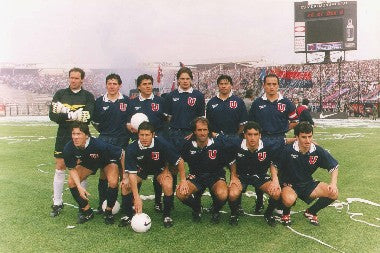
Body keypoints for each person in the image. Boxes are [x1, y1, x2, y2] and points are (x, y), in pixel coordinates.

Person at [120, 122, 188, 228]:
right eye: (141, 135)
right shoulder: (132, 148)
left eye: (147, 135)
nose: (144, 138)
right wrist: (136, 197)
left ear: (153, 134)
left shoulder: (162, 143)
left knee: (168, 184)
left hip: (159, 169)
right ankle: (128, 215)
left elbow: (180, 161)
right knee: (125, 185)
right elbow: (132, 175)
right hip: (140, 170)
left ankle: (166, 215)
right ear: (138, 135)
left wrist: (183, 180)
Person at [49, 67, 95, 217]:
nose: (73, 80)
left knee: (80, 168)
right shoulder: (60, 94)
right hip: (63, 135)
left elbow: (87, 117)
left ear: (82, 79)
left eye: (76, 78)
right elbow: (53, 116)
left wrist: (65, 112)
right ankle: (57, 202)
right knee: (60, 166)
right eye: (71, 78)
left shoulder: (88, 96)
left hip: (82, 137)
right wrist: (75, 115)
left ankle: (83, 204)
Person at [248, 73, 298, 213]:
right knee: (260, 172)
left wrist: (283, 129)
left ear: (278, 85)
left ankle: (276, 203)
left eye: (274, 84)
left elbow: (295, 121)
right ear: (264, 85)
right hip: (262, 141)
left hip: (279, 140)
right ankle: (259, 201)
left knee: (280, 173)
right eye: (268, 84)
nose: (271, 87)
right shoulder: (257, 103)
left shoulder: (286, 103)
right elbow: (251, 124)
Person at [275, 122, 339, 226]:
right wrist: (275, 181)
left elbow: (334, 166)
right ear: (297, 137)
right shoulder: (287, 150)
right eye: (304, 137)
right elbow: (274, 165)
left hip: (307, 184)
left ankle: (311, 212)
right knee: (289, 200)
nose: (308, 140)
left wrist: (333, 183)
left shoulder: (317, 150)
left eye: (310, 136)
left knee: (333, 193)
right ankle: (285, 213)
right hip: (289, 185)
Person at [63, 122, 124, 224]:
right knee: (71, 182)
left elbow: (122, 153)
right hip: (89, 162)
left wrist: (125, 175)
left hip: (107, 161)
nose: (75, 137)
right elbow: (72, 169)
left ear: (86, 135)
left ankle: (108, 211)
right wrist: (79, 186)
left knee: (113, 182)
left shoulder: (99, 145)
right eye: (73, 134)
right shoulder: (69, 148)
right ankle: (87, 212)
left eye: (79, 134)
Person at [176, 117, 231, 224]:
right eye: (199, 130)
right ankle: (197, 208)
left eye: (205, 130)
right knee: (180, 193)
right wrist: (183, 180)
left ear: (209, 131)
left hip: (215, 175)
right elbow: (179, 159)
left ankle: (215, 211)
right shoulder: (187, 144)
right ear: (194, 132)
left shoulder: (218, 143)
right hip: (196, 176)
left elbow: (232, 156)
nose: (202, 133)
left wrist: (233, 176)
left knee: (223, 194)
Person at [126, 74, 167, 212]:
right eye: (144, 84)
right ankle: (133, 200)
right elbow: (127, 122)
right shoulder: (132, 103)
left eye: (150, 83)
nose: (148, 86)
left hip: (156, 142)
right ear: (138, 87)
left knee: (158, 171)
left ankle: (158, 201)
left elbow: (166, 120)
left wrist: (159, 137)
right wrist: (129, 126)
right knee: (137, 170)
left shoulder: (161, 101)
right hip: (139, 142)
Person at [227, 121, 281, 226]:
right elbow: (232, 160)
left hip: (260, 176)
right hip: (241, 176)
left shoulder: (267, 144)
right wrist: (233, 176)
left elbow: (284, 142)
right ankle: (234, 214)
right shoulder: (236, 144)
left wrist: (275, 180)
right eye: (249, 134)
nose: (252, 138)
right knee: (232, 194)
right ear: (244, 135)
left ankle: (268, 214)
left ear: (260, 135)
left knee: (276, 192)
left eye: (255, 134)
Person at [92, 73, 131, 213]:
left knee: (123, 173)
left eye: (115, 83)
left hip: (122, 140)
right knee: (104, 173)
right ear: (106, 85)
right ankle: (102, 204)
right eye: (109, 83)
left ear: (120, 85)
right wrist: (105, 134)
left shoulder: (126, 101)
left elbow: (129, 122)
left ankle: (126, 207)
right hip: (105, 140)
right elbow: (96, 123)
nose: (112, 86)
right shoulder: (99, 102)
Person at [164, 67, 205, 150]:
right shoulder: (171, 96)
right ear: (178, 80)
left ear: (191, 80)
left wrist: (194, 133)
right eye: (182, 79)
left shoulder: (198, 95)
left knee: (192, 161)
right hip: (174, 134)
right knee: (175, 161)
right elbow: (168, 118)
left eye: (187, 78)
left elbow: (200, 118)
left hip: (191, 134)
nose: (185, 81)